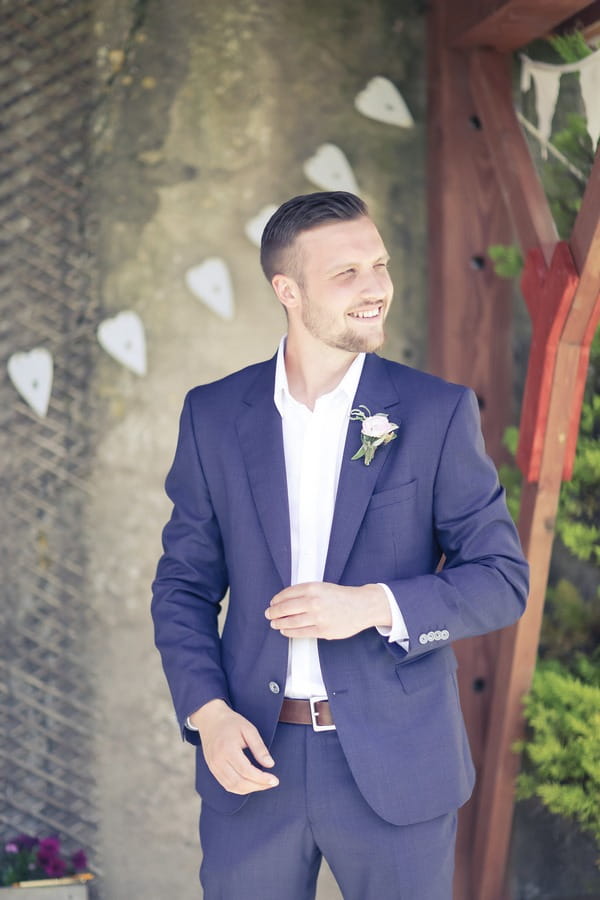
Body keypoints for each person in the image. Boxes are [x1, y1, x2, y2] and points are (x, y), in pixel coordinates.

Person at [151, 191, 529, 900]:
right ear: (287, 291)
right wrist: (208, 714)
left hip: (398, 763)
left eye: (379, 265)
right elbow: (183, 587)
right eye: (346, 273)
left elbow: (501, 578)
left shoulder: (435, 412)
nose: (375, 288)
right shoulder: (213, 414)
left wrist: (373, 606)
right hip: (253, 760)